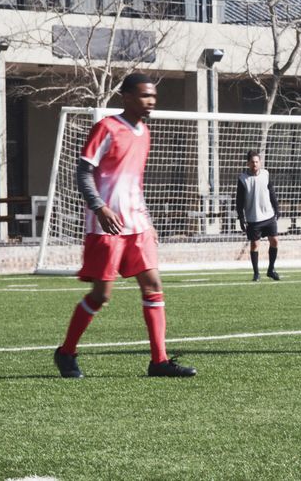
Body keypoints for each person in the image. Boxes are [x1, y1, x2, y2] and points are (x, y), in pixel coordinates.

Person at [53, 73, 196, 379]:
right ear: (127, 97)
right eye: (145, 96)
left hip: (137, 224)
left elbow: (135, 182)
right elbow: (83, 172)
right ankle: (66, 353)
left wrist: (148, 220)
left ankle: (159, 361)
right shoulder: (106, 128)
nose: (151, 101)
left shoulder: (145, 132)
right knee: (101, 295)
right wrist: (100, 207)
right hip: (107, 226)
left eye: (154, 96)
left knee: (153, 285)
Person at [236, 150, 281, 282]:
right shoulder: (243, 179)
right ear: (248, 163)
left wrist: (276, 208)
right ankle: (256, 273)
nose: (255, 164)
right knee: (255, 245)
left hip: (268, 215)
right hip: (253, 218)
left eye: (257, 162)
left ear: (260, 162)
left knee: (275, 241)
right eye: (252, 162)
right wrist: (241, 218)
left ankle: (271, 269)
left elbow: (271, 191)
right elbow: (239, 201)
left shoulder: (266, 174)